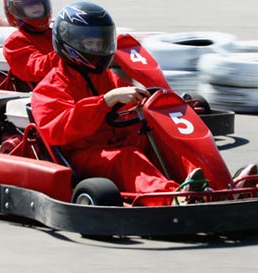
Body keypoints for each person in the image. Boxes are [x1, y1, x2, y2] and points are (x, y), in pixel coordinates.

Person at [30, 1, 210, 206]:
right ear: (69, 43)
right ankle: (170, 198)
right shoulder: (49, 88)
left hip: (118, 141)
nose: (98, 49)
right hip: (85, 155)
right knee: (128, 158)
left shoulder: (106, 78)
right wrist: (106, 101)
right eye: (90, 44)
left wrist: (151, 104)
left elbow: (130, 106)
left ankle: (211, 186)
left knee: (165, 140)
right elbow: (57, 131)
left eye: (101, 43)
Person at [2, 0, 60, 90]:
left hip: (67, 83)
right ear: (17, 10)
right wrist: (65, 52)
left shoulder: (56, 34)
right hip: (42, 92)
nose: (36, 7)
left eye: (39, 3)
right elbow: (36, 69)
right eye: (29, 5)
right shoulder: (15, 42)